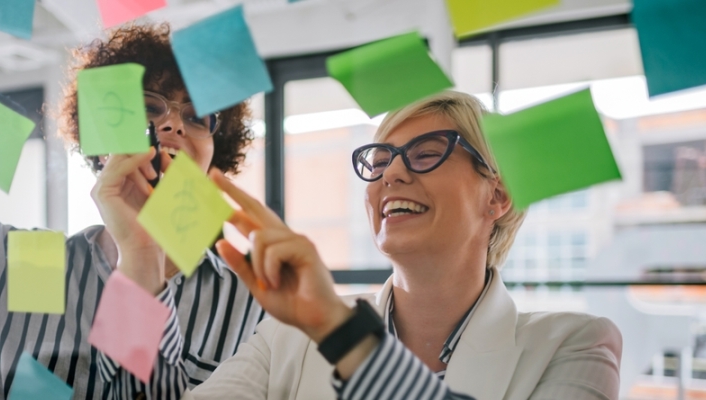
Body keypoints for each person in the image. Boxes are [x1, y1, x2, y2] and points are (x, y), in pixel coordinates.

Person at [0, 5, 262, 399]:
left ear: (214, 156)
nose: (172, 125)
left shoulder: (248, 305)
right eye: (148, 108)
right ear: (99, 139)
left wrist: (142, 259)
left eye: (195, 117)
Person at [158, 91, 620, 399]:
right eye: (380, 161)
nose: (391, 174)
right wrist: (137, 259)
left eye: (425, 153)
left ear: (497, 196)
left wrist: (340, 330)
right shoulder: (288, 332)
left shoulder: (575, 344)